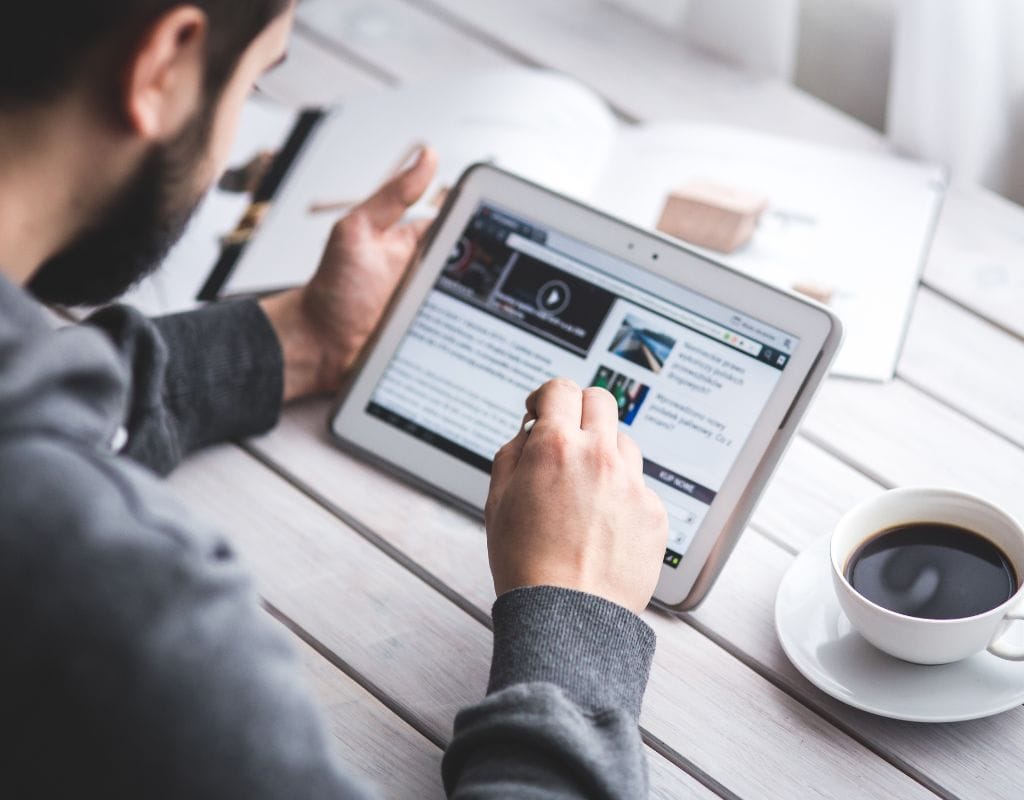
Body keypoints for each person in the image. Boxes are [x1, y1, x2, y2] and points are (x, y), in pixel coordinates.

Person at [0, 2, 669, 797]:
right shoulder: (113, 604)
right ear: (164, 65)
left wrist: (297, 339)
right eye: (252, 86)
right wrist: (576, 615)